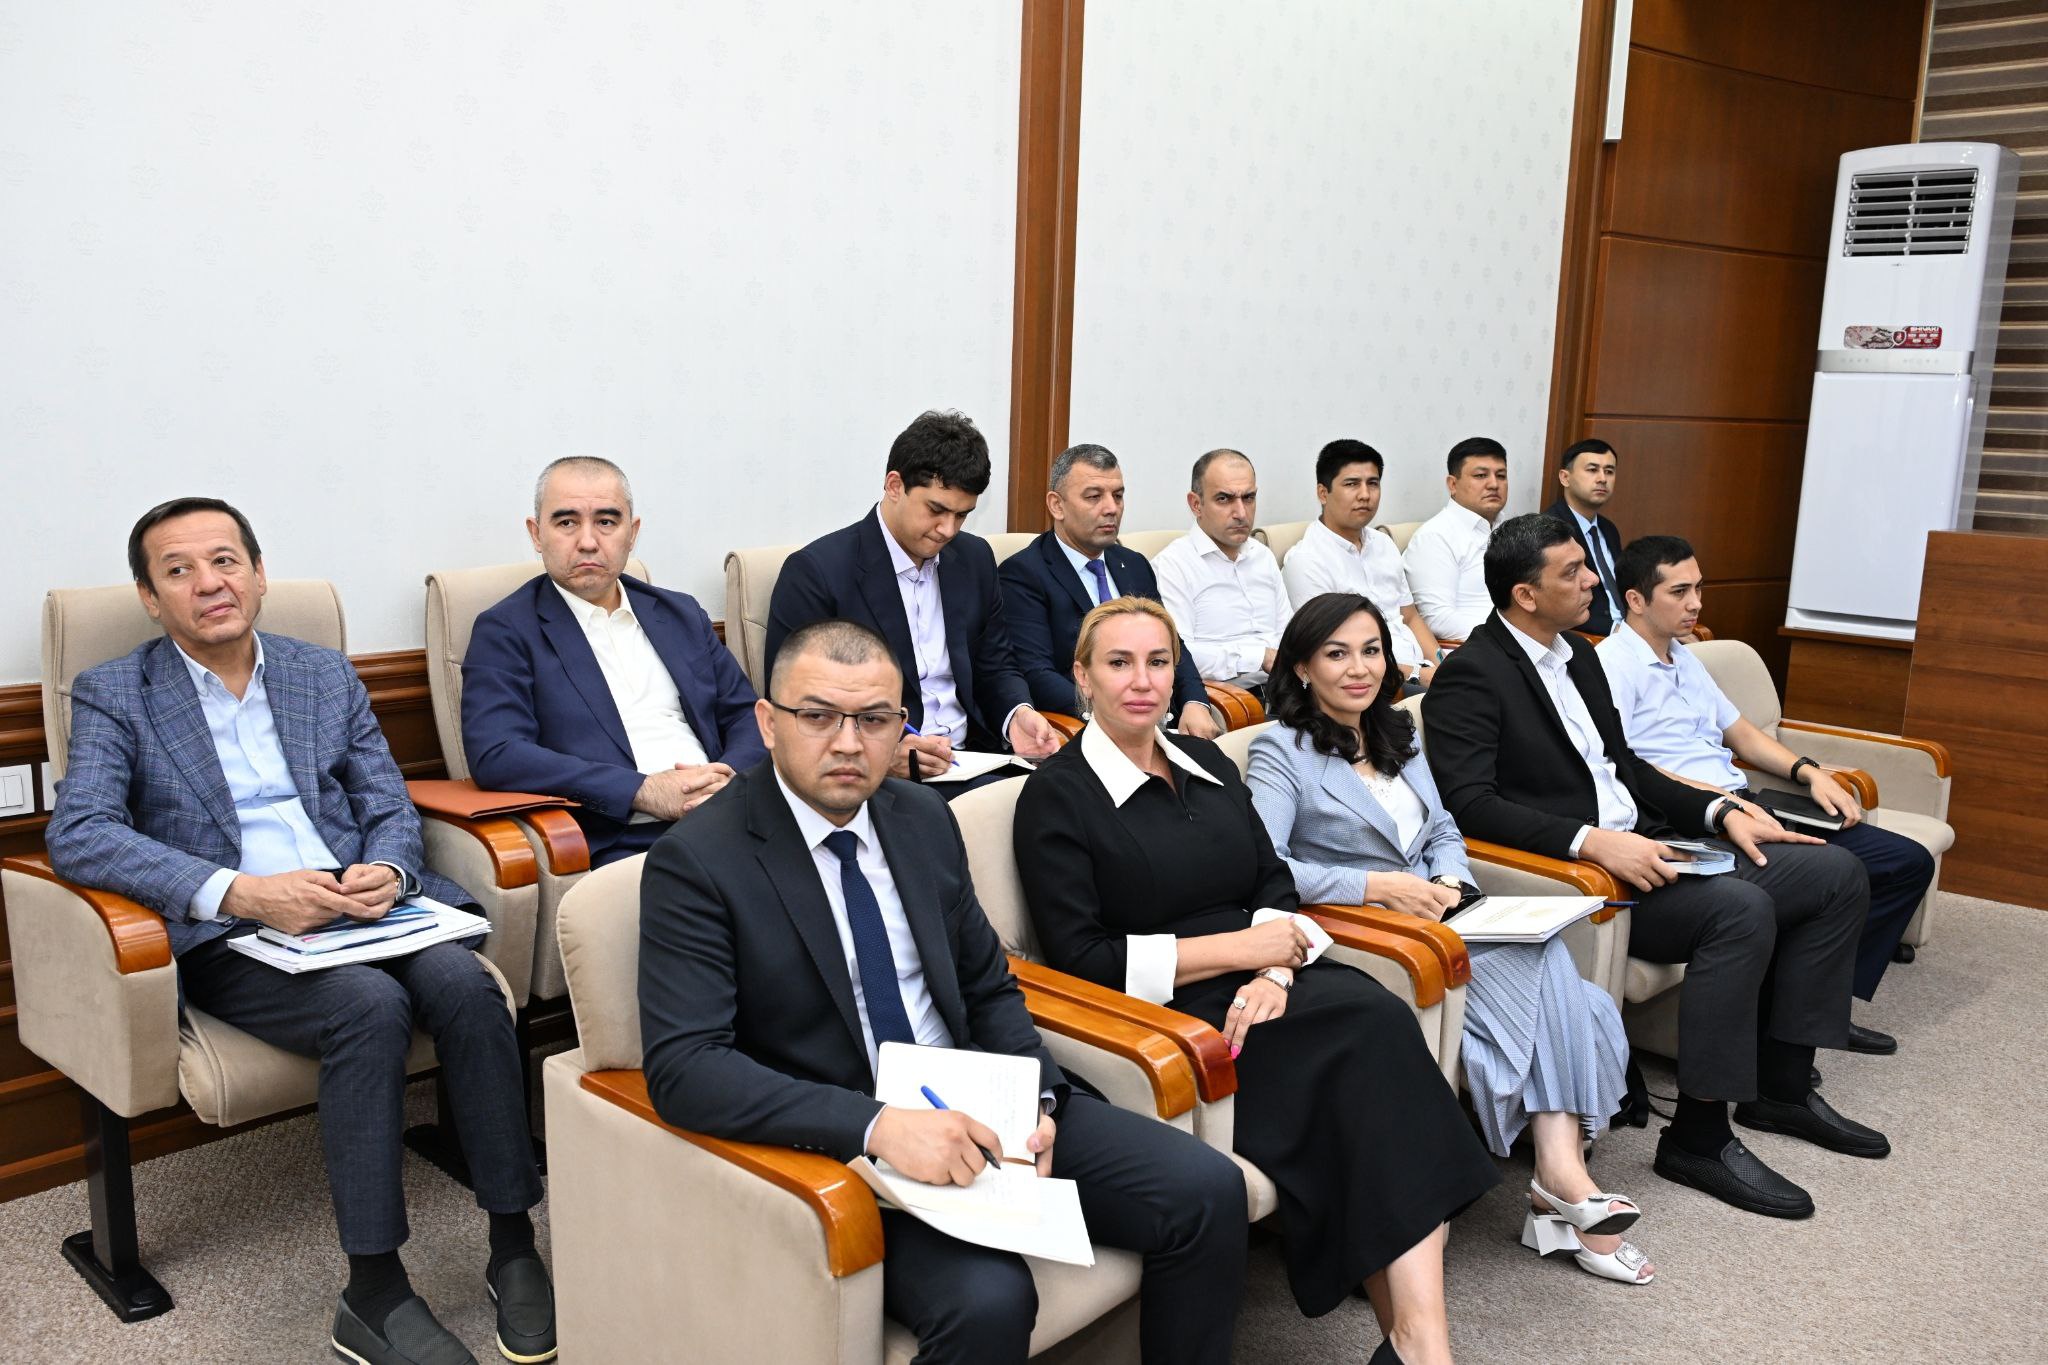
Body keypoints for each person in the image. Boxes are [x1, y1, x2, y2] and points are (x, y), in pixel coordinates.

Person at [637, 619, 1251, 1365]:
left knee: (1209, 1190)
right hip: (843, 1141)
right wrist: (877, 1125)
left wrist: (1035, 1099)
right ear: (769, 723)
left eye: (874, 720)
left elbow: (986, 986)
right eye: (818, 716)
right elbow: (686, 1067)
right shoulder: (698, 861)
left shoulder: (923, 817)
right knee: (989, 1300)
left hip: (979, 1101)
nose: (847, 743)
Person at [46, 498, 552, 1365]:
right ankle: (374, 1293)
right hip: (235, 933)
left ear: (258, 574)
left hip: (364, 909)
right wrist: (242, 892)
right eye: (179, 570)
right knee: (367, 1007)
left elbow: (385, 798)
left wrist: (388, 870)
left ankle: (513, 1243)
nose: (209, 583)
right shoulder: (116, 691)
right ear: (150, 598)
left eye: (225, 560)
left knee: (467, 986)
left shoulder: (321, 671)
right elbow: (81, 830)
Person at [1015, 596, 1498, 1365]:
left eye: (1159, 661)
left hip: (1270, 978)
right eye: (1119, 662)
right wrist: (1243, 949)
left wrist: (1274, 964)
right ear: (1082, 676)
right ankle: (1418, 1349)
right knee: (1361, 1063)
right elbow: (1084, 958)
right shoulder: (1056, 794)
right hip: (1176, 1007)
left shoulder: (1206, 761)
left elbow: (1272, 880)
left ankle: (1416, 1345)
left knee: (1377, 1020)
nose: (1142, 680)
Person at [1423, 514, 1887, 1220]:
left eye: (1586, 566)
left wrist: (1721, 810)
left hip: (1652, 842)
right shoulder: (1472, 675)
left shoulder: (1577, 656)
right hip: (1587, 877)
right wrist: (1591, 842)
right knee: (1740, 910)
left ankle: (1782, 1088)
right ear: (1525, 593)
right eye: (1572, 572)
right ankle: (1698, 1137)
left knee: (1836, 875)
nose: (1592, 580)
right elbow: (1470, 805)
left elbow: (1628, 768)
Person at [1247, 592, 1650, 1286]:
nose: (1359, 668)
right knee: (1570, 990)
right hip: (1380, 935)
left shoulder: (1397, 731)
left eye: (1371, 650)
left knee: (1549, 952)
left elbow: (1442, 828)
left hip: (1445, 912)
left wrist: (1452, 880)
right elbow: (1268, 864)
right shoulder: (1280, 750)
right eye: (1337, 654)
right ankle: (1562, 1182)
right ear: (1303, 668)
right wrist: (1378, 888)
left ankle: (1558, 1182)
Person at [1598, 536, 1933, 1051]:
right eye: (1680, 592)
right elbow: (1628, 766)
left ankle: (1822, 1000)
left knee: (1904, 863)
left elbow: (1743, 734)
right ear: (1636, 599)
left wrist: (1808, 771)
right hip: (1696, 815)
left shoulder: (1684, 657)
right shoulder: (1612, 666)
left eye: (1699, 589)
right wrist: (1719, 802)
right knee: (1832, 874)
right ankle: (1800, 1016)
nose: (1696, 604)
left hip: (1748, 798)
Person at [462, 456, 767, 866]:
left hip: (731, 817)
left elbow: (746, 714)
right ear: (536, 534)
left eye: (606, 522)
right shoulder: (506, 630)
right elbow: (498, 753)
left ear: (632, 533)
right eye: (566, 522)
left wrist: (727, 780)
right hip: (627, 839)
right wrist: (641, 790)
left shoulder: (679, 614)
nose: (588, 541)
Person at [765, 409, 1062, 793]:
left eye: (962, 515)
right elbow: (801, 701)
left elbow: (995, 666)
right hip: (882, 776)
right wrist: (885, 748)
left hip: (977, 757)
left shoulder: (974, 559)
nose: (948, 530)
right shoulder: (817, 573)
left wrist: (1016, 715)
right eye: (936, 510)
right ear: (894, 485)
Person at [996, 442, 1224, 736]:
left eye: (1118, 496)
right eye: (1094, 497)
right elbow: (1036, 674)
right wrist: (1114, 714)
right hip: (1088, 728)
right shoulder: (1024, 573)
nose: (1111, 508)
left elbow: (1172, 646)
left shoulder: (1134, 564)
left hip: (1158, 724)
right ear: (1057, 505)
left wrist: (1195, 702)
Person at [1280, 440, 1443, 690]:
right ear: (1323, 493)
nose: (1365, 494)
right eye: (1351, 484)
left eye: (1373, 483)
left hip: (1419, 672)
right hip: (1369, 683)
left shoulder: (1384, 544)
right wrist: (1418, 675)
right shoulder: (1306, 561)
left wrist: (1442, 665)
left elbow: (1410, 617)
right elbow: (1335, 652)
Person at [1151, 449, 1292, 698]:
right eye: (1224, 499)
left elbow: (1288, 633)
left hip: (1288, 690)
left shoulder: (1263, 556)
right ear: (1196, 504)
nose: (1241, 513)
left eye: (1248, 498)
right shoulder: (1173, 565)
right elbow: (1177, 655)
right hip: (1227, 700)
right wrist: (1258, 657)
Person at [1402, 437, 1508, 642]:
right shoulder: (1435, 537)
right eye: (1481, 475)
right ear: (1452, 484)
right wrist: (1509, 639)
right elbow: (1438, 619)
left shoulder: (1510, 530)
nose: (1494, 484)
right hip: (1475, 647)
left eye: (1501, 475)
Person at [1542, 438, 1626, 636]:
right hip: (1592, 636)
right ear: (1565, 478)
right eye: (1592, 470)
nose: (1602, 478)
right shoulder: (1549, 528)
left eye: (1609, 471)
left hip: (1627, 630)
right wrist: (1615, 630)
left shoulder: (1608, 529)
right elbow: (1553, 603)